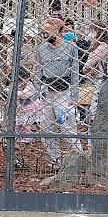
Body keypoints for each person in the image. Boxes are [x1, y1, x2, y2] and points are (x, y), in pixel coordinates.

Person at [34, 15, 83, 168]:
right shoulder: (42, 49)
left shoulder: (70, 47)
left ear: (58, 29)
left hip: (65, 92)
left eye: (47, 32)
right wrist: (36, 96)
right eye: (42, 33)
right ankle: (54, 163)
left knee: (67, 128)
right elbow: (38, 72)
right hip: (47, 93)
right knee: (46, 129)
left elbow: (75, 72)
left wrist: (74, 96)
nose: (44, 35)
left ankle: (78, 161)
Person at [81, 24, 108, 122]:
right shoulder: (95, 45)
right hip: (92, 78)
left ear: (99, 32)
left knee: (94, 108)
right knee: (87, 105)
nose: (91, 34)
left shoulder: (103, 46)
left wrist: (85, 69)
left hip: (100, 79)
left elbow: (91, 60)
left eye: (93, 31)